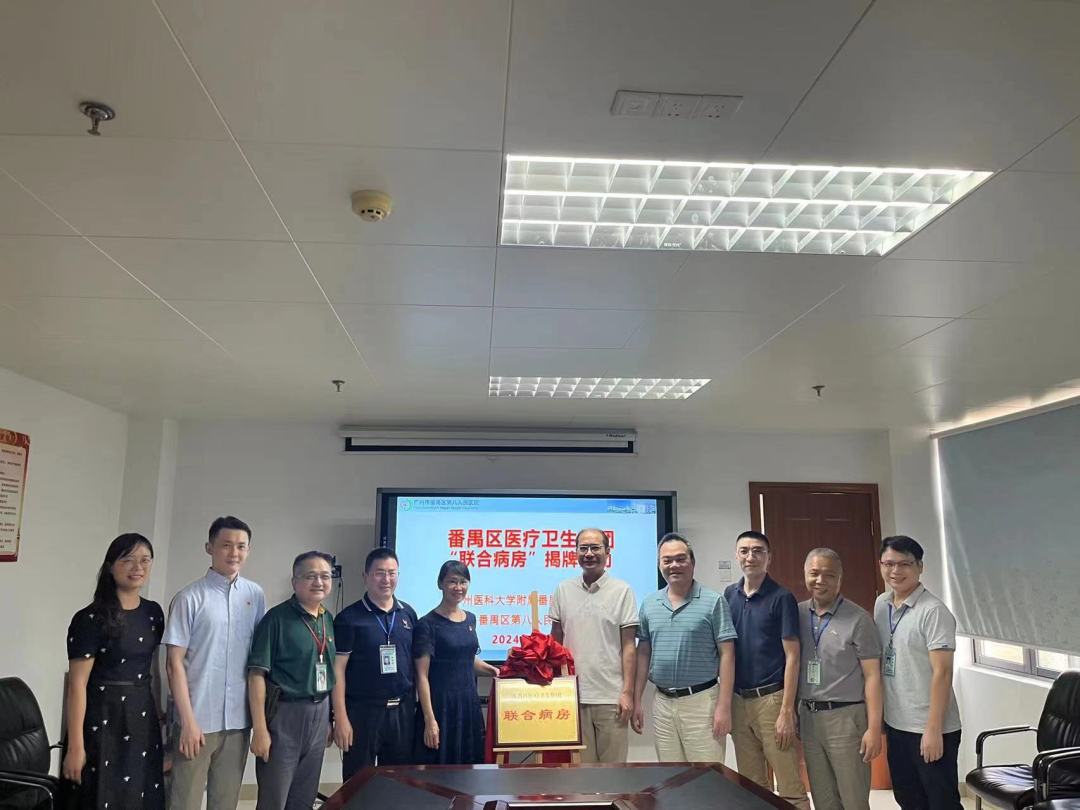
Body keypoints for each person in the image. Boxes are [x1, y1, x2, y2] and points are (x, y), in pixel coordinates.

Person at [164, 515, 266, 810]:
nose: (234, 553)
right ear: (209, 547)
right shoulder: (189, 598)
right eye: (226, 545)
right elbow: (173, 664)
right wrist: (187, 721)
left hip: (238, 720)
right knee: (184, 801)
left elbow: (257, 660)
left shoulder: (255, 595)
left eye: (241, 546)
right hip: (197, 719)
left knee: (226, 801)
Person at [61, 533, 166, 809]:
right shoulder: (89, 619)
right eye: (128, 560)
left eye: (145, 560)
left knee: (140, 795)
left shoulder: (153, 613)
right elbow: (77, 686)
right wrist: (75, 746)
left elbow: (152, 668)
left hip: (141, 717)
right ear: (110, 566)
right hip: (102, 719)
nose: (138, 567)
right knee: (100, 794)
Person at [874, 535, 963, 810]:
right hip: (896, 724)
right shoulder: (881, 604)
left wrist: (933, 730)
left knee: (941, 802)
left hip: (930, 727)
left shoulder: (933, 611)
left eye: (904, 564)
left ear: (920, 566)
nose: (895, 571)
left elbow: (943, 673)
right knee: (908, 799)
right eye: (889, 564)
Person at [631, 532, 736, 762]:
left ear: (693, 562)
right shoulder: (649, 603)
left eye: (680, 559)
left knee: (707, 775)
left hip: (702, 703)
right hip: (663, 703)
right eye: (667, 560)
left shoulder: (713, 601)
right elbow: (643, 654)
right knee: (671, 774)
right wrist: (636, 700)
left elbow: (727, 654)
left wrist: (724, 706)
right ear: (659, 565)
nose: (674, 565)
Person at [724, 530, 808, 809]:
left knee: (789, 785)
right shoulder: (730, 595)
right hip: (738, 700)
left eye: (758, 551)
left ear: (769, 557)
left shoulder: (781, 597)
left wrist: (786, 711)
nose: (751, 557)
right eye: (744, 551)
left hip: (771, 700)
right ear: (737, 556)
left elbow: (793, 656)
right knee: (751, 787)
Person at [247, 551, 337, 810]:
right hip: (284, 715)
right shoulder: (276, 619)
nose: (319, 582)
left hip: (319, 712)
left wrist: (329, 720)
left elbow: (329, 671)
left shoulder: (326, 618)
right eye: (310, 576)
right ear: (295, 582)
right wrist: (260, 729)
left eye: (325, 576)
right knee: (274, 797)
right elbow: (256, 675)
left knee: (304, 796)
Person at [797, 548, 884, 810]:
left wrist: (874, 728)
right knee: (823, 798)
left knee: (853, 797)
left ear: (840, 579)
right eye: (814, 573)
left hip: (846, 718)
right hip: (809, 718)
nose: (820, 580)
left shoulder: (859, 619)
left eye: (829, 575)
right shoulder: (796, 614)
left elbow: (873, 676)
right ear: (805, 574)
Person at [550, 528, 638, 763]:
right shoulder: (563, 589)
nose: (589, 553)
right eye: (583, 548)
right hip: (572, 696)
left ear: (607, 552)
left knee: (613, 772)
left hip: (612, 697)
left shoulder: (622, 591)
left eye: (595, 548)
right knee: (580, 773)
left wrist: (627, 693)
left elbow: (629, 646)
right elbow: (555, 641)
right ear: (576, 552)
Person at [332, 548, 419, 781]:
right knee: (358, 782)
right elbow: (337, 670)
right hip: (363, 713)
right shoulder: (349, 618)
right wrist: (340, 718)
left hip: (402, 712)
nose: (386, 579)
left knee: (399, 782)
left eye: (391, 573)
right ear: (365, 577)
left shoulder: (408, 614)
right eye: (379, 573)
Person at [413, 560, 500, 764]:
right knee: (439, 768)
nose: (458, 587)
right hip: (441, 707)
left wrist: (494, 671)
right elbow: (421, 675)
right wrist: (429, 719)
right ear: (440, 584)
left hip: (468, 704)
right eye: (452, 581)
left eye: (463, 582)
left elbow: (466, 658)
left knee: (469, 766)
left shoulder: (470, 619)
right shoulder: (427, 624)